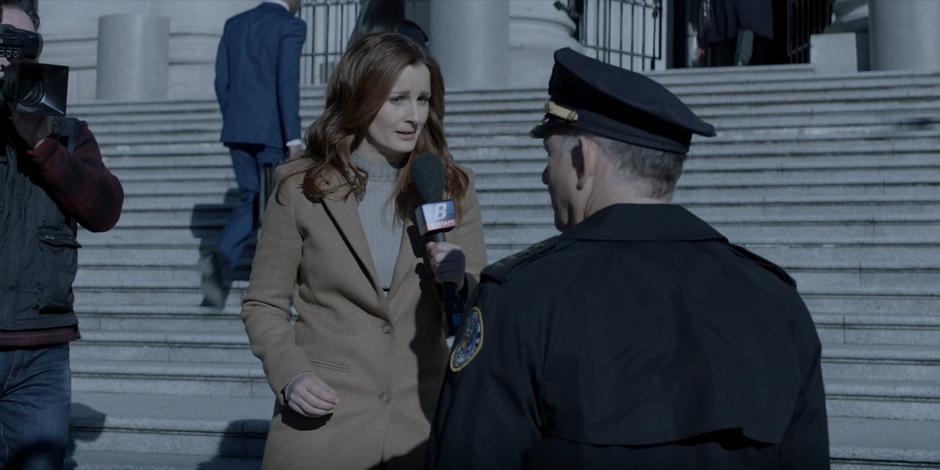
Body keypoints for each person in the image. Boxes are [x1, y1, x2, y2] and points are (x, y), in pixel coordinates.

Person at [428, 48, 829, 469]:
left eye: (550, 155)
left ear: (583, 159)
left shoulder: (520, 300)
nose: (546, 175)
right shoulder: (777, 303)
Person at [241, 32, 487, 470]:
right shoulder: (299, 187)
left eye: (423, 100)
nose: (414, 116)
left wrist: (459, 279)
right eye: (397, 100)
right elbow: (263, 303)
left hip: (420, 426)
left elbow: (478, 307)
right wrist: (290, 373)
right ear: (361, 97)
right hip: (323, 424)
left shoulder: (450, 186)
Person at [0, 1, 124, 468]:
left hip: (40, 352)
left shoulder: (67, 133)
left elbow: (105, 210)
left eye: (19, 45)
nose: (6, 58)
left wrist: (43, 146)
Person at [206, 0, 306, 307]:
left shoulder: (234, 24)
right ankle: (275, 282)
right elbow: (286, 83)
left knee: (252, 196)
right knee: (276, 205)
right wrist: (293, 138)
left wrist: (234, 118)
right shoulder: (290, 25)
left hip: (238, 129)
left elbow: (221, 81)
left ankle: (219, 267)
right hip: (272, 134)